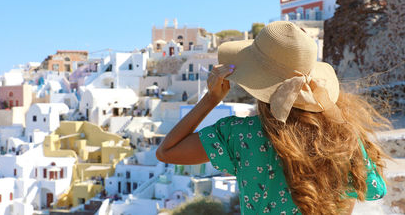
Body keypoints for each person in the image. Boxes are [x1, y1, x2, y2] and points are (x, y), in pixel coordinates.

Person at [156, 21, 389, 215]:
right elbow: (374, 189)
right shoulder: (340, 135)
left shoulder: (240, 135)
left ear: (257, 83)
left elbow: (167, 151)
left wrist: (211, 99)